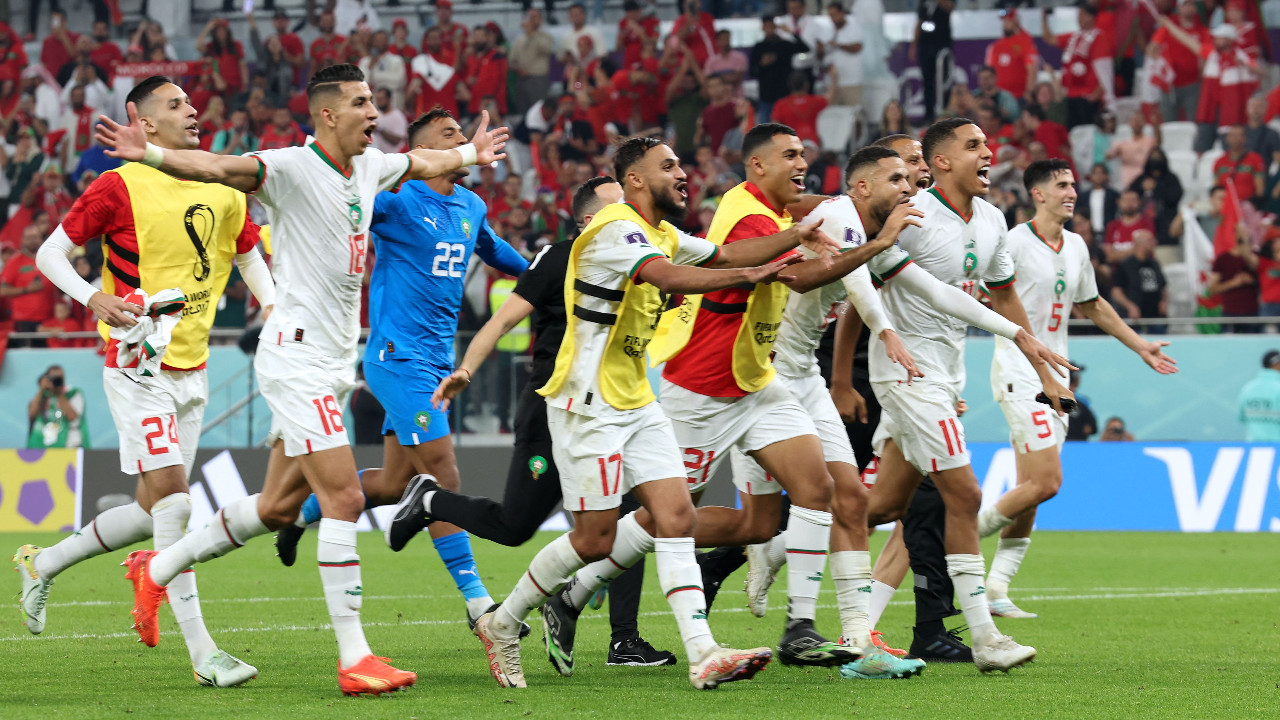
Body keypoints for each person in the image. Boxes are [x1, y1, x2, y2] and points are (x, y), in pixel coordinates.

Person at [92, 63, 508, 694]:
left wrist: (471, 153)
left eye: (374, 101)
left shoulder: (371, 168)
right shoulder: (288, 167)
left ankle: (157, 570)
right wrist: (150, 153)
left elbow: (424, 162)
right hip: (295, 359)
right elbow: (217, 167)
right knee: (344, 499)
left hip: (333, 364)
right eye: (362, 102)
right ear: (328, 114)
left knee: (278, 507)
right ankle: (355, 658)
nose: (375, 113)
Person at [464, 136, 825, 689]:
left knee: (676, 517)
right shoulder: (616, 227)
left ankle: (703, 652)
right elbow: (669, 277)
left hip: (636, 401)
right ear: (635, 179)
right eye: (669, 166)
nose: (683, 174)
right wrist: (751, 277)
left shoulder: (663, 233)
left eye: (681, 164)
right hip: (587, 407)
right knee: (593, 541)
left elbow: (725, 253)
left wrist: (796, 235)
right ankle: (503, 622)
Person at [17, 75, 276, 688]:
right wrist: (92, 297)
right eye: (176, 104)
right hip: (138, 364)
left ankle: (42, 563)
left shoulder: (222, 181)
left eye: (191, 102)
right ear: (144, 121)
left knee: (147, 512)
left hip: (193, 368)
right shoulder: (120, 184)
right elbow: (49, 253)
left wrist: (274, 308)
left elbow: (246, 254)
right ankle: (204, 654)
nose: (193, 110)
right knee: (177, 504)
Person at [274, 108, 529, 637]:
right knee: (443, 476)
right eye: (449, 136)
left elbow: (495, 250)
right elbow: (344, 203)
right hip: (398, 358)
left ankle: (302, 515)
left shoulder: (471, 205)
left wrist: (545, 275)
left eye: (460, 133)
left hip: (438, 363)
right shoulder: (396, 199)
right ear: (424, 152)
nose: (462, 140)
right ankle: (478, 603)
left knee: (394, 484)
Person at [423, 176, 679, 668]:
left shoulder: (641, 257)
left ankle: (622, 639)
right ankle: (430, 500)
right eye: (618, 208)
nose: (629, 216)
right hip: (552, 405)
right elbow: (501, 321)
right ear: (591, 220)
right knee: (516, 524)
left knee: (633, 512)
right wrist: (467, 370)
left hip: (612, 408)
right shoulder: (559, 258)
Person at [861, 117, 1075, 672]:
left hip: (945, 376)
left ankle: (790, 549)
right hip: (906, 377)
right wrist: (842, 378)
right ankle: (985, 638)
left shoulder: (992, 219)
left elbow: (1002, 294)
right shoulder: (910, 216)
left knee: (883, 507)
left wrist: (1043, 371)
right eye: (973, 145)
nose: (988, 153)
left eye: (987, 144)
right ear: (940, 162)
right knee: (965, 495)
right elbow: (878, 291)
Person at [979, 159, 1177, 616]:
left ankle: (996, 589)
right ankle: (957, 542)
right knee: (1046, 482)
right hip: (1020, 373)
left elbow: (1093, 304)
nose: (1072, 192)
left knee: (1031, 489)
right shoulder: (1014, 242)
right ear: (1038, 194)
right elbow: (993, 298)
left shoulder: (1076, 245)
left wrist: (1140, 346)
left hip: (1060, 380)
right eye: (1062, 185)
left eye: (1073, 184)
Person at [1044, 3, 1113, 129]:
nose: (1078, 18)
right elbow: (1049, 39)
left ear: (1091, 17)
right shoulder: (1074, 37)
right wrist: (1044, 17)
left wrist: (1097, 93)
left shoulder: (1099, 37)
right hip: (1071, 95)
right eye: (1078, 15)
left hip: (1087, 96)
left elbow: (1105, 68)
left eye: (1082, 15)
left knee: (1088, 131)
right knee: (1072, 132)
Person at [1149, 0, 1208, 122]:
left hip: (1193, 85)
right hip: (1170, 85)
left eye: (1192, 4)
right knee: (1168, 123)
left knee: (1194, 123)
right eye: (1186, 5)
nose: (1189, 8)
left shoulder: (1202, 30)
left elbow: (1207, 54)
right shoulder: (1167, 29)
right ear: (1179, 8)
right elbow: (1151, 49)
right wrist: (1161, 64)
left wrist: (1203, 71)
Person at [0, 223, 57, 345]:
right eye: (29, 237)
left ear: (41, 238)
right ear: (23, 240)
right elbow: (2, 290)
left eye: (35, 237)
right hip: (24, 321)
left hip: (50, 319)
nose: (32, 240)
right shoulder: (14, 262)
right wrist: (26, 289)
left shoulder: (51, 259)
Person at [1110, 229, 1167, 331]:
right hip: (1134, 320)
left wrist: (1163, 301)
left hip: (1155, 316)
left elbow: (1162, 286)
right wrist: (1130, 306)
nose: (1154, 243)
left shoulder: (1154, 264)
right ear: (1140, 243)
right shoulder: (1126, 265)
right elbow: (1116, 291)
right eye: (1150, 240)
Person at [1209, 223, 1260, 332]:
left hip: (1252, 312)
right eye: (1241, 231)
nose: (1244, 234)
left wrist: (1250, 280)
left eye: (1246, 231)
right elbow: (1213, 289)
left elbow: (1257, 267)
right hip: (1230, 312)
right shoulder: (1222, 259)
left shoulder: (1257, 257)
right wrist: (1234, 282)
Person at [24, 365, 85, 449]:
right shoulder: (44, 394)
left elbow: (73, 416)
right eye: (53, 377)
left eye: (60, 378)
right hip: (42, 445)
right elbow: (32, 414)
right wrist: (41, 390)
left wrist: (59, 393)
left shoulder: (72, 393)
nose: (56, 381)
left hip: (69, 445)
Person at [912, 0, 953, 123]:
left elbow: (949, 7)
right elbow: (919, 20)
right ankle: (929, 115)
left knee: (944, 80)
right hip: (925, 43)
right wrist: (913, 45)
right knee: (927, 81)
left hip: (941, 43)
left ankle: (945, 115)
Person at [510, 9, 555, 116]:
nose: (532, 20)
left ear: (540, 19)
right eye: (530, 17)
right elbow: (512, 59)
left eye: (535, 17)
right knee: (523, 110)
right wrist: (518, 69)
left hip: (539, 79)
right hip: (522, 78)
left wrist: (532, 34)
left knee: (539, 110)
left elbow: (548, 50)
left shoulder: (546, 37)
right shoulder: (519, 39)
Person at [985, 8, 1037, 102]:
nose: (1005, 24)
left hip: (1019, 96)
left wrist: (1029, 92)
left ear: (1015, 22)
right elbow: (989, 71)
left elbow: (1032, 70)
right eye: (1004, 21)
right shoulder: (995, 46)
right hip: (998, 96)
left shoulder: (1025, 43)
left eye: (1008, 21)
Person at [819, 2, 864, 109]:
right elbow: (822, 53)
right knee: (832, 113)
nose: (833, 18)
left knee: (854, 112)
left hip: (851, 81)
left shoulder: (854, 27)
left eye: (834, 15)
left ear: (842, 13)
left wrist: (838, 45)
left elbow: (858, 47)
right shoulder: (828, 30)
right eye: (830, 16)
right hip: (832, 82)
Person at [771, 72, 827, 147]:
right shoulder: (815, 101)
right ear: (806, 85)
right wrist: (835, 78)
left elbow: (775, 128)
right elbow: (829, 97)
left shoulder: (781, 104)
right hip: (812, 144)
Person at [1214, 125, 1265, 203]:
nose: (1235, 139)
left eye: (1239, 135)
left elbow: (1260, 190)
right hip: (1226, 204)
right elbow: (1216, 188)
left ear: (1245, 138)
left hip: (1247, 204)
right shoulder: (1220, 161)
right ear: (1227, 138)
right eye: (1232, 135)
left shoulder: (1255, 159)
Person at [1237, 350, 1280, 441]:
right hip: (1277, 445)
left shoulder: (1247, 388)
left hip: (1253, 445)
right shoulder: (1278, 388)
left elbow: (1241, 417)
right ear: (1276, 364)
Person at [1103, 189, 1154, 265]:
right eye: (1126, 200)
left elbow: (1146, 251)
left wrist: (1118, 255)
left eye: (1133, 200)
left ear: (1139, 202)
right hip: (1117, 269)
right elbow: (1110, 256)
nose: (1129, 204)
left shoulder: (1147, 223)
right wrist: (1135, 248)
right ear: (1119, 202)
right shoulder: (1112, 226)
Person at [671, 0, 717, 69]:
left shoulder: (707, 18)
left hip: (712, 62)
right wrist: (689, 22)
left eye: (696, 2)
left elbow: (713, 38)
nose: (693, 5)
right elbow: (675, 40)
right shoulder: (680, 21)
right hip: (692, 66)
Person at [704, 30, 749, 94]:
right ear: (717, 41)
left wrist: (717, 77)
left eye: (727, 38)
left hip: (737, 96)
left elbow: (736, 77)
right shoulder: (711, 61)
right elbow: (708, 80)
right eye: (723, 39)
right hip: (718, 97)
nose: (726, 42)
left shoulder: (740, 57)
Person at [1085, 162, 1119, 236]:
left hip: (1108, 232)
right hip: (1089, 233)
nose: (1098, 176)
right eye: (1095, 173)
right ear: (1091, 176)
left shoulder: (1113, 195)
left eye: (1101, 173)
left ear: (1106, 176)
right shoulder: (1084, 196)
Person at [370, 87, 407, 153]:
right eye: (377, 99)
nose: (379, 102)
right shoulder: (376, 115)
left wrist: (379, 129)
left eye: (381, 99)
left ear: (389, 99)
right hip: (379, 155)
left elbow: (397, 140)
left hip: (394, 155)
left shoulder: (397, 116)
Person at [1065, 367, 1097, 441]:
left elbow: (1092, 428)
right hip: (1077, 444)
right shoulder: (1083, 402)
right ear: (1076, 379)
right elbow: (1090, 428)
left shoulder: (1048, 399)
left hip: (1056, 443)